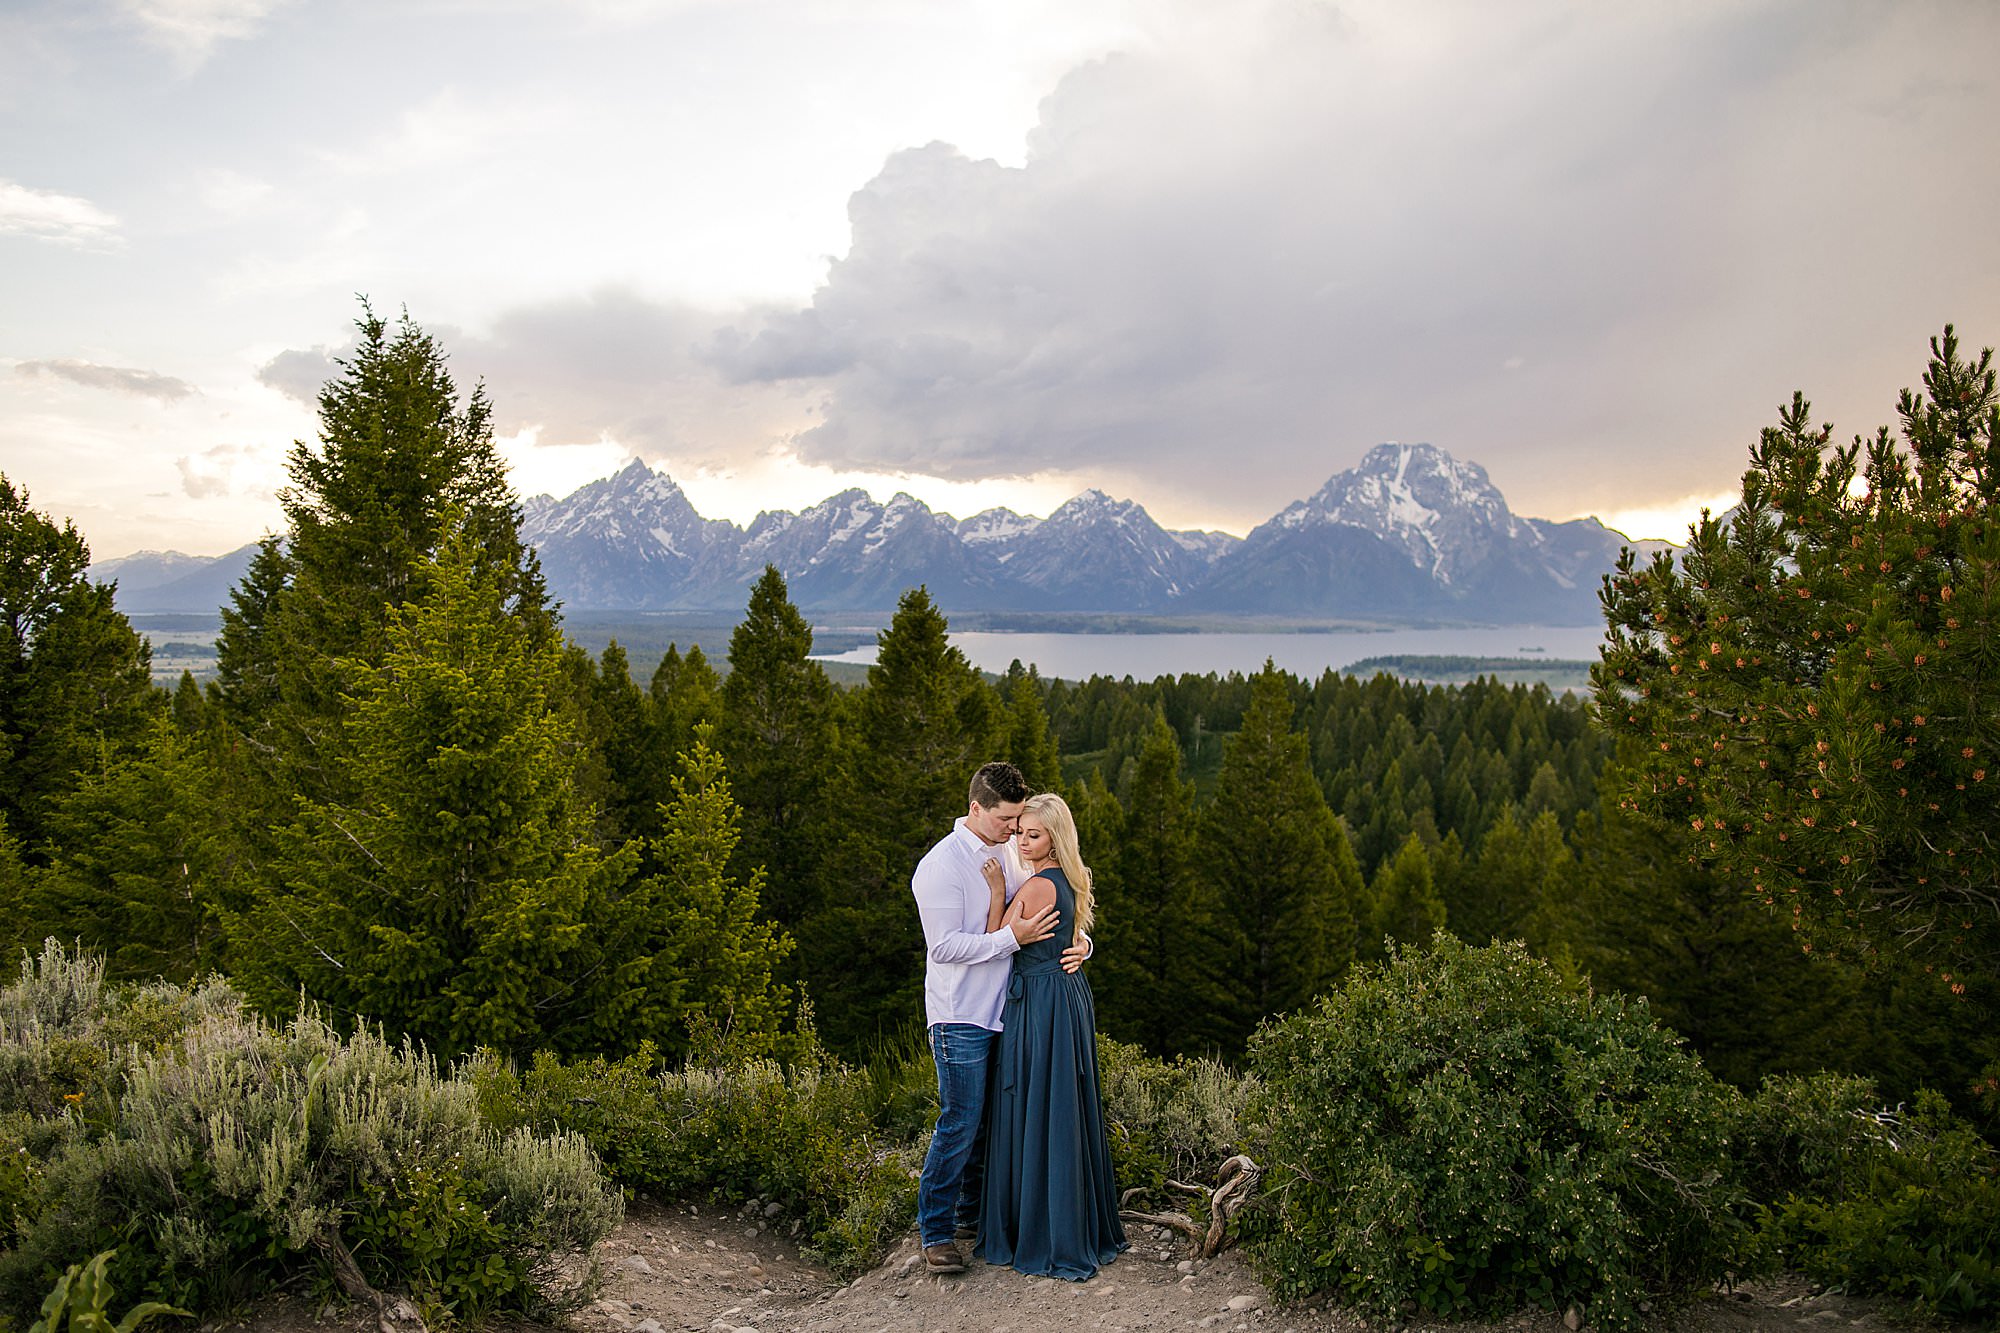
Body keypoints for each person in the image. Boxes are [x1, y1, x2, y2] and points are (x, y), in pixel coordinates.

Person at [910, 763, 1088, 1275]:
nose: (1014, 830)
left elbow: (1052, 907)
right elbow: (944, 947)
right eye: (1006, 819)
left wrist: (1080, 946)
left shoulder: (1009, 849)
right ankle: (937, 1233)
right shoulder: (940, 867)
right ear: (976, 809)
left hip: (1009, 1011)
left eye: (1018, 822)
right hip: (961, 1014)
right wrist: (1015, 938)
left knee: (992, 1123)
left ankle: (972, 1215)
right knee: (961, 1122)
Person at [974, 791, 1128, 1280]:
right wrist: (1082, 944)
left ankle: (1043, 1231)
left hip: (1041, 1002)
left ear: (1054, 839)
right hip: (1065, 996)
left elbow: (997, 938)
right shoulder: (1070, 880)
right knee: (1060, 1102)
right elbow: (1071, 936)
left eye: (1032, 834)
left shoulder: (1039, 887)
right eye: (1019, 831)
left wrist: (998, 892)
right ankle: (1071, 1220)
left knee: (1040, 1104)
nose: (1021, 840)